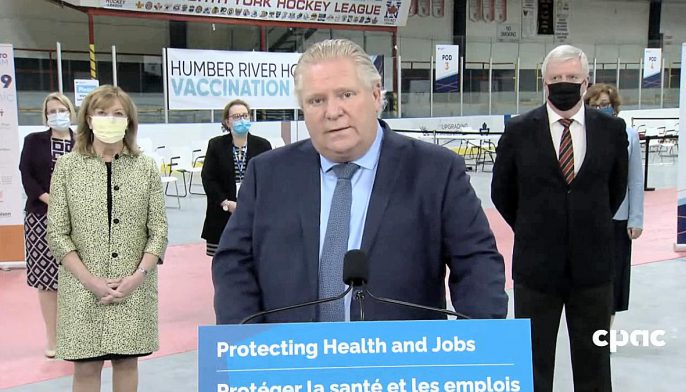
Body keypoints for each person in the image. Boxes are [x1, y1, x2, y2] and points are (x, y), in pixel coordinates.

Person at [212, 38, 507, 324]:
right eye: (316, 100)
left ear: (376, 96)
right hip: (292, 367)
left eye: (346, 95)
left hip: (402, 367)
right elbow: (233, 263)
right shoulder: (268, 174)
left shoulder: (436, 171)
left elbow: (477, 264)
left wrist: (480, 345)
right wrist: (247, 347)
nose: (332, 111)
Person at [491, 45, 628, 392]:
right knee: (533, 366)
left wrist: (585, 224)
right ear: (543, 82)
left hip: (594, 272)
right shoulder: (519, 130)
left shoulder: (612, 130)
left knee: (595, 365)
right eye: (556, 78)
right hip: (536, 272)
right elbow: (501, 193)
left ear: (586, 82)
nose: (563, 84)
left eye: (571, 78)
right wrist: (533, 227)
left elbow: (616, 189)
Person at [46, 85, 168, 392]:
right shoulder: (67, 168)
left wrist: (137, 276)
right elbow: (58, 233)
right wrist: (90, 281)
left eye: (118, 114)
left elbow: (159, 232)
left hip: (133, 288)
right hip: (82, 289)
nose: (109, 119)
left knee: (127, 363)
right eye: (101, 113)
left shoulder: (146, 168)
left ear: (129, 121)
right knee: (86, 368)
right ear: (88, 119)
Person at [18, 92, 76, 358]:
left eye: (61, 109)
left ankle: (75, 335)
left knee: (76, 278)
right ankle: (53, 339)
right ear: (45, 116)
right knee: (47, 281)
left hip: (79, 219)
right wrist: (49, 199)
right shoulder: (33, 141)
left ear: (71, 112)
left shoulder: (83, 142)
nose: (57, 115)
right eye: (51, 111)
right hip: (41, 216)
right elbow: (26, 174)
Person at [584, 83, 644, 324]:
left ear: (614, 107)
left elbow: (635, 179)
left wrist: (636, 218)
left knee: (614, 276)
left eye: (605, 105)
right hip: (587, 218)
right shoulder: (580, 134)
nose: (600, 109)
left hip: (618, 218)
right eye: (595, 105)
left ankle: (606, 330)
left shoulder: (629, 135)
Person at [201, 99, 272, 256]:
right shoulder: (216, 145)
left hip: (254, 213)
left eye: (245, 115)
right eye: (237, 116)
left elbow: (269, 180)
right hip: (222, 212)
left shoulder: (263, 145)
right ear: (227, 121)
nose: (242, 120)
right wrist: (225, 203)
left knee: (251, 258)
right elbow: (208, 178)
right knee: (223, 261)